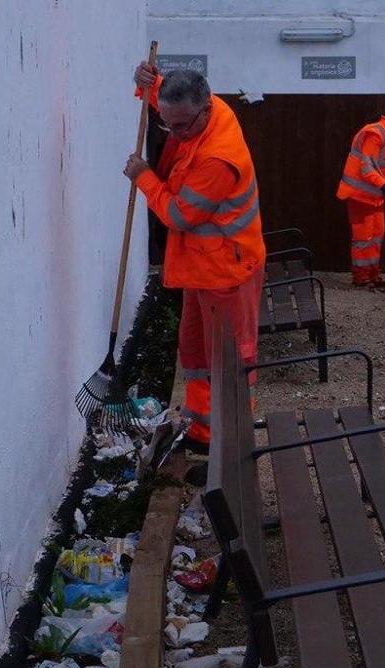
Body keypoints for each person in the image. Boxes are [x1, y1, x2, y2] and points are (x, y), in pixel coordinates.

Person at [123, 64, 265, 454]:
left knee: (230, 365)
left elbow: (181, 215)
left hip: (229, 273)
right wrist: (146, 85)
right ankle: (204, 434)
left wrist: (144, 177)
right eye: (168, 125)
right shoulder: (197, 107)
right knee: (197, 355)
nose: (176, 134)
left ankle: (232, 448)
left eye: (183, 126)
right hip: (204, 269)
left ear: (206, 109)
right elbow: (164, 95)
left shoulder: (219, 158)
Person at [335, 107, 385, 288]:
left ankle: (373, 275)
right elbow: (368, 167)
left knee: (377, 235)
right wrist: (384, 185)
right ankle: (361, 277)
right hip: (359, 196)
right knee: (363, 238)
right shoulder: (376, 134)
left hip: (373, 197)